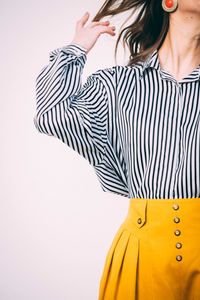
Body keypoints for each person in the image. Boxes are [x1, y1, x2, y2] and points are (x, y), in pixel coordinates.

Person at [33, 0, 200, 299]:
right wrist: (75, 50)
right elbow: (52, 114)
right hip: (142, 256)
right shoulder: (118, 85)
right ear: (169, 2)